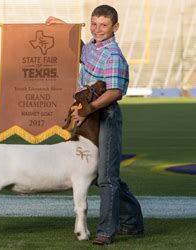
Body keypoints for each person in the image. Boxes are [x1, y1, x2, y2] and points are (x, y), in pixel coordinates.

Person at [46, 5, 144, 245]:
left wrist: (88, 108)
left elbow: (115, 92)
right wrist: (64, 26)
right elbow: (83, 54)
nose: (98, 29)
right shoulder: (92, 46)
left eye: (104, 25)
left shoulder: (113, 55)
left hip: (105, 116)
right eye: (94, 24)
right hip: (88, 116)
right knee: (104, 173)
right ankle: (132, 223)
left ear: (115, 27)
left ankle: (105, 231)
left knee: (107, 177)